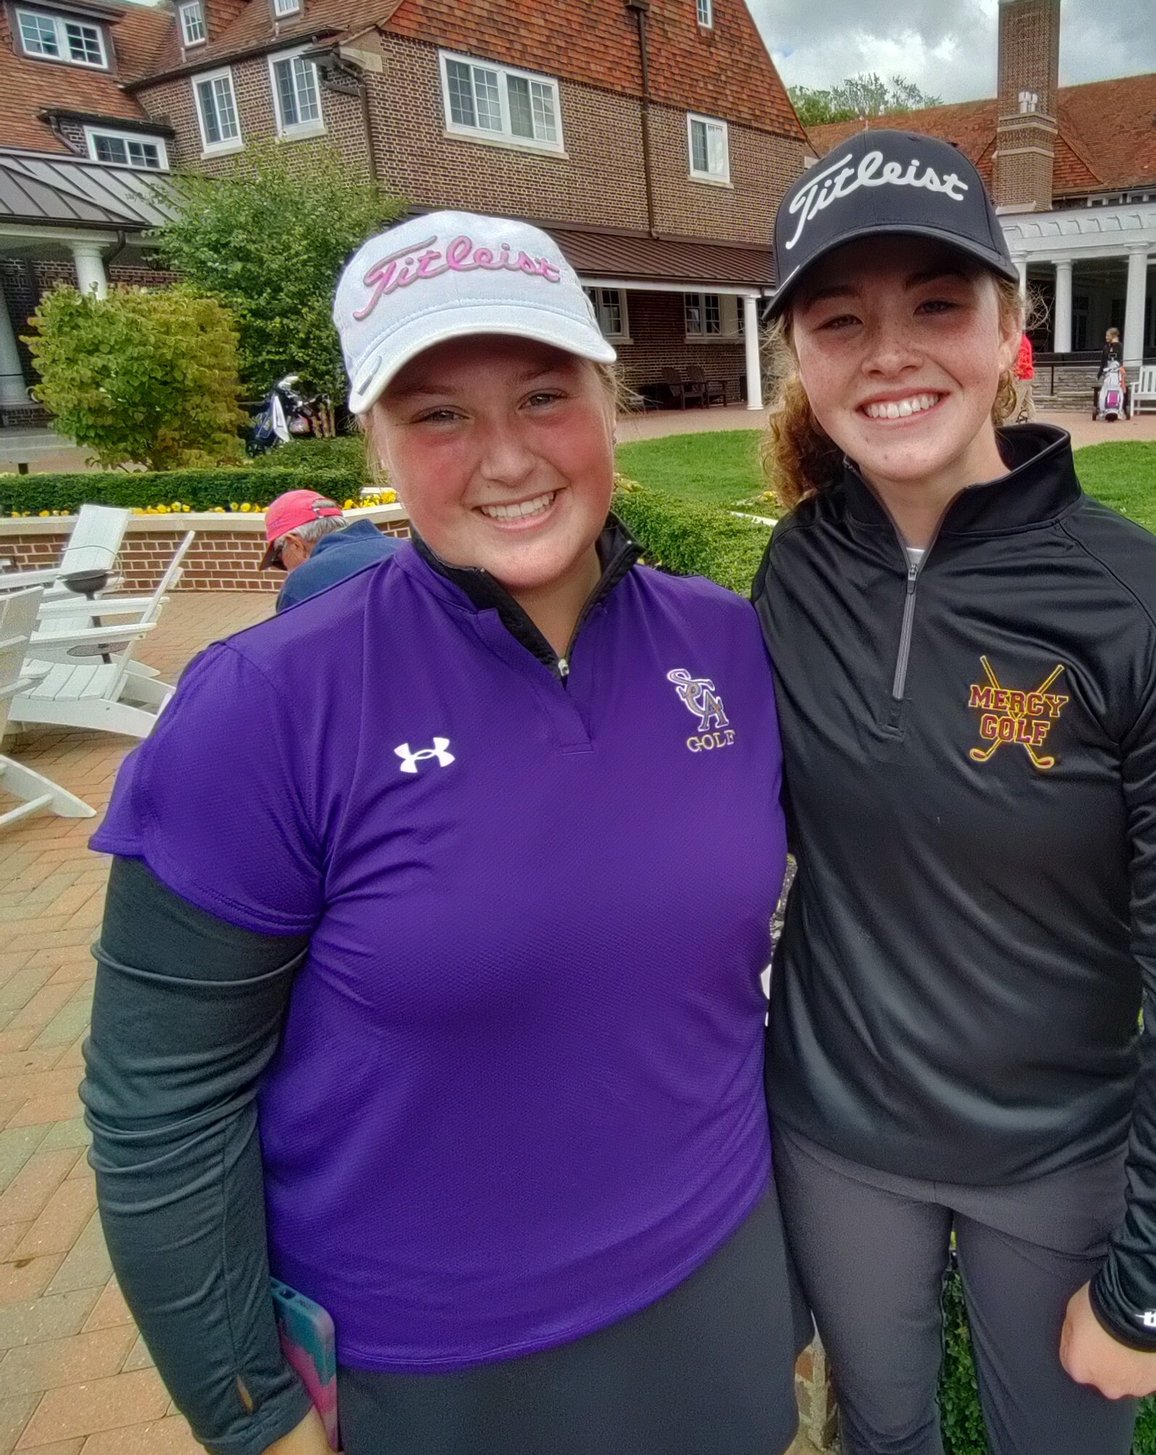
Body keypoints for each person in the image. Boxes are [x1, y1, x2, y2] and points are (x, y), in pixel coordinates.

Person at [82, 210, 802, 1455]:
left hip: (718, 1286)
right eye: (439, 415)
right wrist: (250, 1412)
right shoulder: (269, 706)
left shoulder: (723, 643)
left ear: (608, 401)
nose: (506, 458)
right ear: (373, 441)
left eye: (542, 396)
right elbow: (161, 1099)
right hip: (436, 1369)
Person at [753, 131, 1156, 1455]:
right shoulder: (793, 576)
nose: (889, 353)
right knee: (882, 1432)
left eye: (936, 304)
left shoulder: (1150, 611)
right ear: (797, 352)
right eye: (840, 319)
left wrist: (1154, 1277)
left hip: (1056, 1153)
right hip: (837, 1137)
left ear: (1007, 327)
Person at [261, 489, 400, 611]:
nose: (284, 567)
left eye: (278, 557)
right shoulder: (403, 548)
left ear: (295, 544)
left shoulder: (300, 585)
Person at [1013, 330, 1036, 422]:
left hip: (1024, 376)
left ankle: (1010, 422)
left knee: (1017, 400)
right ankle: (1032, 420)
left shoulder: (1020, 341)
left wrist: (1016, 373)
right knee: (1028, 400)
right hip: (1029, 374)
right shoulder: (1025, 340)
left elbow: (1022, 360)